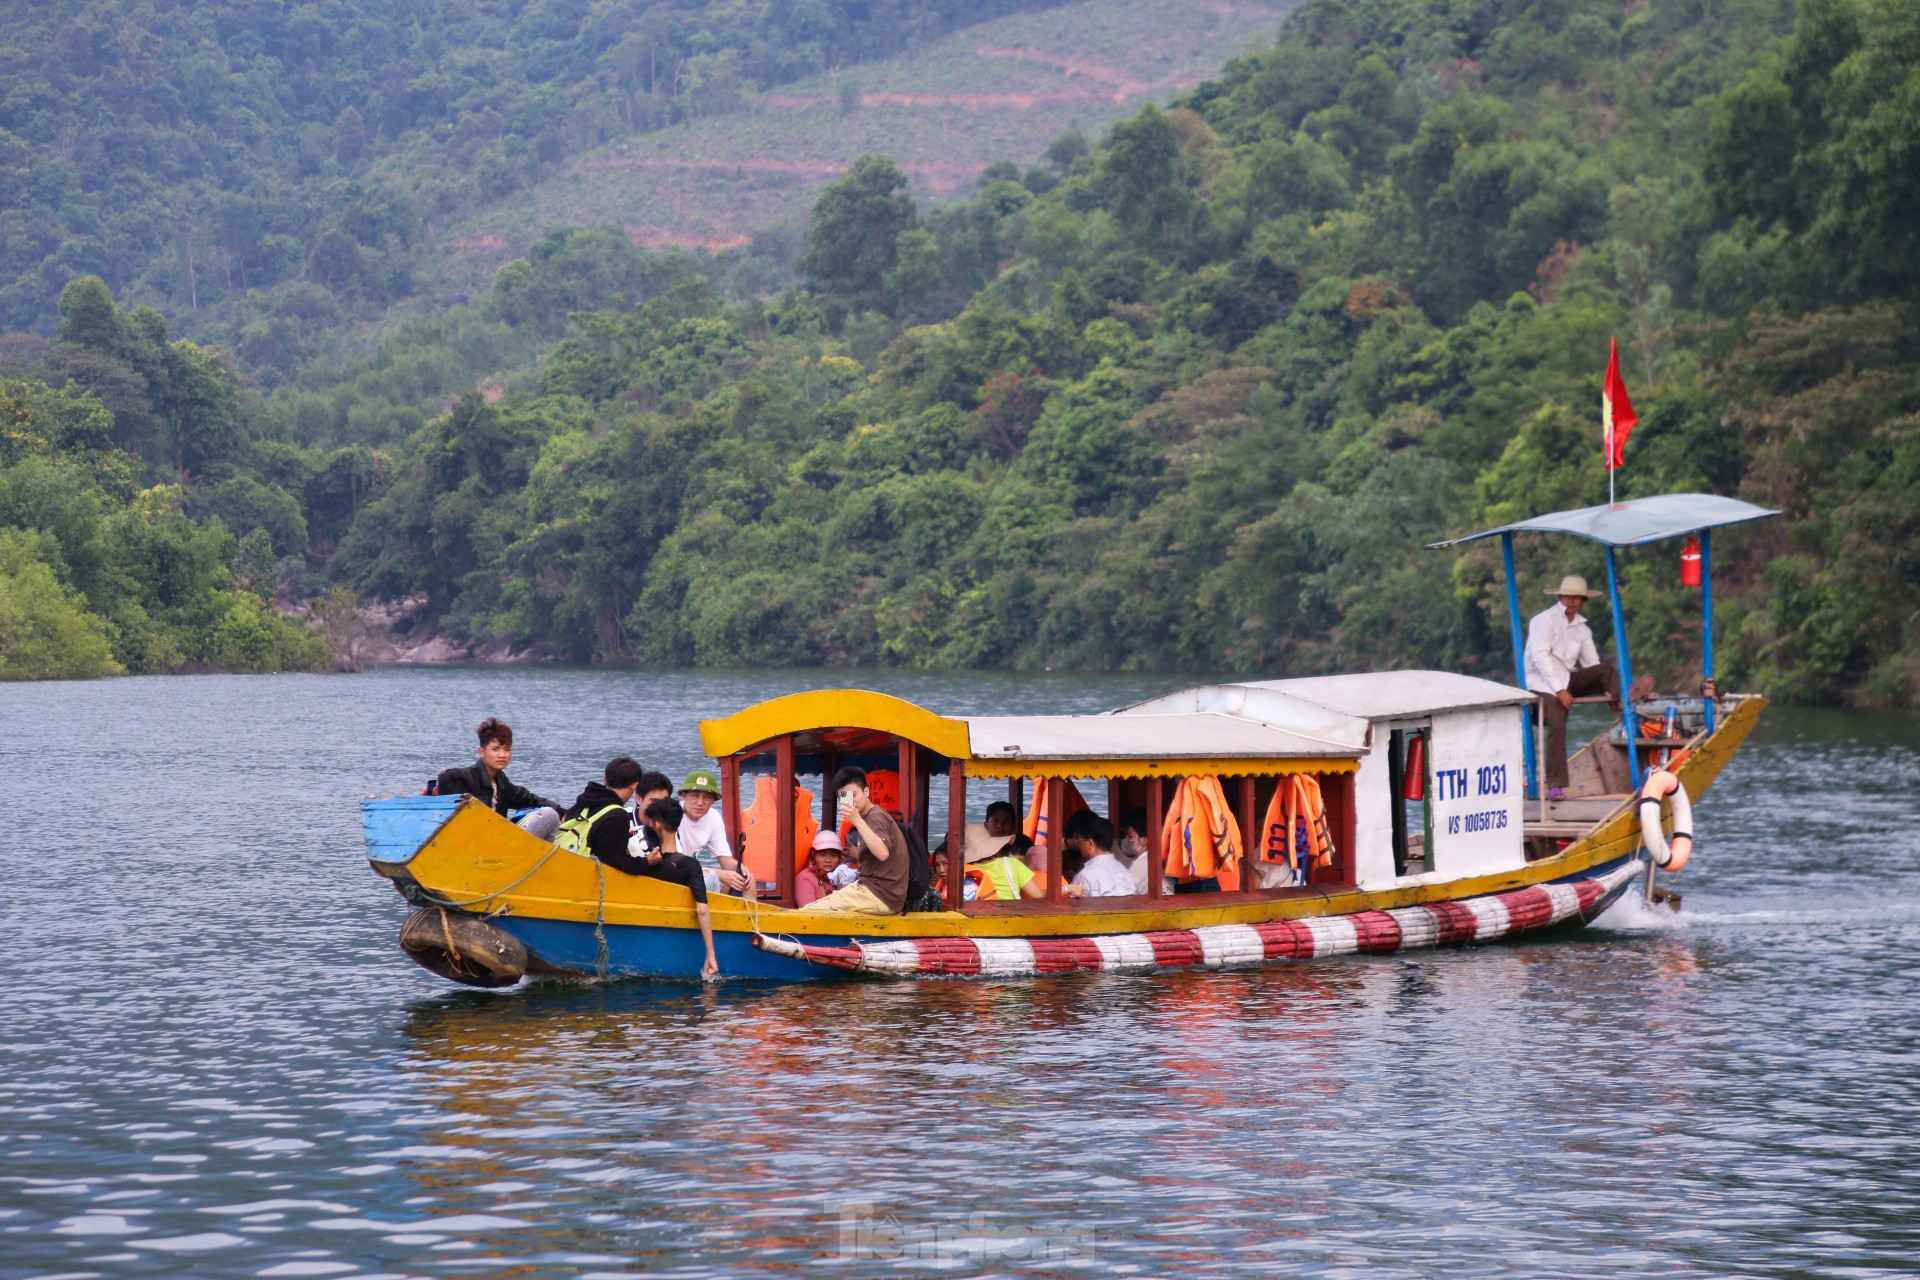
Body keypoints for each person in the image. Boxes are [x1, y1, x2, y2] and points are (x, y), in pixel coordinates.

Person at [1525, 574, 1623, 799]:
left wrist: (1608, 690)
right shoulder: (1543, 620)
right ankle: (1556, 785)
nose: (1571, 600)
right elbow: (1540, 658)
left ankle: (1618, 700)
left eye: (1576, 597)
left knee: (1606, 671)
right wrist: (1559, 690)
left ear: (1583, 601)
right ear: (1560, 596)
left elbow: (1592, 665)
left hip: (1567, 680)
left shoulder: (1582, 629)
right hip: (1541, 684)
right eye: (1567, 596)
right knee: (1558, 722)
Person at [433, 717, 561, 839]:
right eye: (495, 749)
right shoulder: (464, 778)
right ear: (482, 752)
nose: (502, 755)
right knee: (550, 816)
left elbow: (528, 799)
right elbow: (446, 784)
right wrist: (433, 791)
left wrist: (566, 813)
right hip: (475, 844)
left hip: (497, 840)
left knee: (550, 815)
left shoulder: (501, 783)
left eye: (507, 749)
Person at [805, 767, 909, 915]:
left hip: (880, 895)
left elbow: (883, 853)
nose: (851, 801)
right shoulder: (870, 816)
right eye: (845, 797)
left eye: (854, 795)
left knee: (810, 911)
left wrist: (857, 820)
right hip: (881, 894)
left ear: (866, 792)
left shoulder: (875, 818)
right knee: (820, 905)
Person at [677, 769, 746, 895]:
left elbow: (725, 859)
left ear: (713, 800)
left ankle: (750, 913)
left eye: (707, 797)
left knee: (739, 878)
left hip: (691, 873)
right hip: (668, 876)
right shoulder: (672, 814)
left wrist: (741, 870)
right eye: (694, 796)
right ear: (683, 796)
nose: (700, 803)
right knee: (717, 876)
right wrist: (719, 874)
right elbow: (671, 864)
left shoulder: (713, 817)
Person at [1066, 815, 1135, 898]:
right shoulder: (1125, 872)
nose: (1079, 845)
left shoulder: (1085, 876)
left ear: (1090, 843)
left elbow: (1073, 907)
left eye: (1079, 841)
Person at [796, 830, 842, 907]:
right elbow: (808, 912)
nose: (828, 860)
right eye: (822, 855)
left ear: (840, 857)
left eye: (833, 855)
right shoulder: (804, 879)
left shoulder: (841, 877)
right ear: (814, 855)